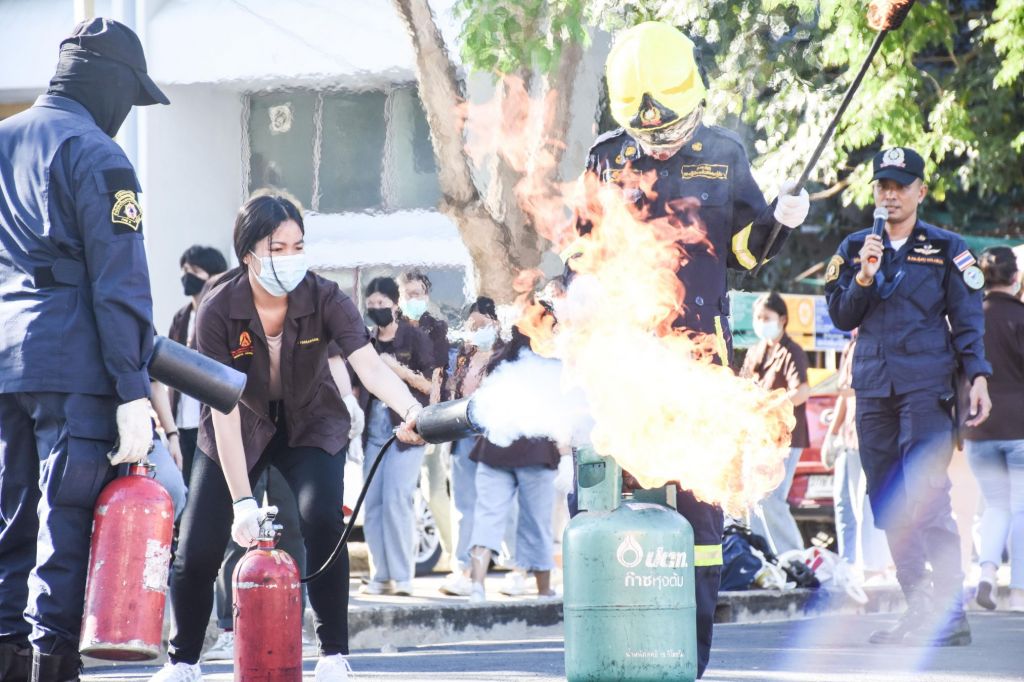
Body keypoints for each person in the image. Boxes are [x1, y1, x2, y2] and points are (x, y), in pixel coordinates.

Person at [574, 21, 809, 678]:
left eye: (671, 126)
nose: (661, 138)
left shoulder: (725, 153)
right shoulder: (605, 158)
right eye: (648, 131)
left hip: (702, 373)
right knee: (607, 517)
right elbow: (583, 251)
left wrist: (777, 226)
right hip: (628, 374)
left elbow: (745, 254)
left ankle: (689, 664)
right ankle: (615, 656)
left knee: (702, 532)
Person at [149, 195, 425, 682]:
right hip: (243, 424)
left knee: (322, 518)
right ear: (248, 252)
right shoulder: (216, 308)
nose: (291, 256)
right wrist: (240, 501)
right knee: (197, 547)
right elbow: (224, 409)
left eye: (299, 245)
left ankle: (334, 652)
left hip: (311, 421)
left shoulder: (325, 296)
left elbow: (368, 365)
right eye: (278, 247)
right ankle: (184, 660)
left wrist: (410, 410)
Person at [0, 18, 169, 682]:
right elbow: (120, 279)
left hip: (9, 360)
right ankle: (50, 668)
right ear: (111, 85)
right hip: (74, 367)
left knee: (10, 522)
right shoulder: (99, 155)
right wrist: (132, 390)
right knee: (64, 529)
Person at [825, 146, 992, 646]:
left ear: (921, 190)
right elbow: (842, 316)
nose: (890, 194)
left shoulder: (946, 248)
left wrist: (978, 377)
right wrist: (864, 276)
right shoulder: (856, 246)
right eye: (882, 185)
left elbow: (967, 321)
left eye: (900, 185)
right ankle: (919, 608)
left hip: (926, 386)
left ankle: (949, 613)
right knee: (888, 501)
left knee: (927, 495)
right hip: (874, 389)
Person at [357, 277, 440, 596]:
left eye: (383, 304)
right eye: (372, 304)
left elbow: (431, 386)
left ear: (396, 305)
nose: (377, 309)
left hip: (408, 429)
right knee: (374, 504)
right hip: (373, 429)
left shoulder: (414, 338)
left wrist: (398, 371)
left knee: (397, 499)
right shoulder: (365, 341)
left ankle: (403, 575)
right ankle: (382, 575)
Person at [466, 328, 561, 603]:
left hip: (494, 449)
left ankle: (477, 587)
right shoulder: (549, 363)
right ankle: (544, 591)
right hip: (537, 451)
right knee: (537, 523)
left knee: (487, 517)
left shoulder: (497, 359)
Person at [964, 247, 1024, 612]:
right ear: (1016, 278)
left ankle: (986, 575)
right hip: (1020, 428)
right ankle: (1018, 594)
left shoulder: (970, 319)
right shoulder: (1021, 317)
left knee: (995, 506)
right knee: (1022, 510)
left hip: (979, 430)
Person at [440, 297, 503, 596]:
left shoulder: (504, 356)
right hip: (462, 437)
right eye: (473, 326)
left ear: (497, 324)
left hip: (493, 440)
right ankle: (463, 568)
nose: (478, 331)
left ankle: (504, 566)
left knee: (491, 506)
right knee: (464, 507)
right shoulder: (461, 357)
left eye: (484, 325)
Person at [740, 293, 810, 556]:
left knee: (772, 500)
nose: (761, 322)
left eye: (766, 318)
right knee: (753, 500)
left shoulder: (792, 352)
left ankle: (794, 557)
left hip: (784, 438)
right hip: (758, 439)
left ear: (782, 319)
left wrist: (770, 406)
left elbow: (802, 392)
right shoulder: (756, 351)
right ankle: (763, 557)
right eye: (758, 318)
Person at [821, 335, 892, 580]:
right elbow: (842, 396)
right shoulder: (850, 344)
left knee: (867, 506)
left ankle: (875, 566)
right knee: (846, 506)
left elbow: (872, 385)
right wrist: (832, 433)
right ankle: (850, 563)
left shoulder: (880, 338)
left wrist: (846, 389)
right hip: (849, 436)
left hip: (872, 434)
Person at [399, 270, 455, 562]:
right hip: (397, 419)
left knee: (436, 492)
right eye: (409, 294)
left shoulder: (436, 329)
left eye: (418, 293)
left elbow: (437, 376)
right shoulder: (390, 328)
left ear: (427, 296)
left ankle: (452, 554)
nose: (414, 299)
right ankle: (401, 562)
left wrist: (431, 418)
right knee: (402, 494)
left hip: (430, 419)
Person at [168, 245, 229, 487]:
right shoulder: (181, 317)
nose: (187, 276)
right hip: (183, 420)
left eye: (194, 270)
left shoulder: (223, 314)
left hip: (211, 421)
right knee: (186, 485)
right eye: (184, 270)